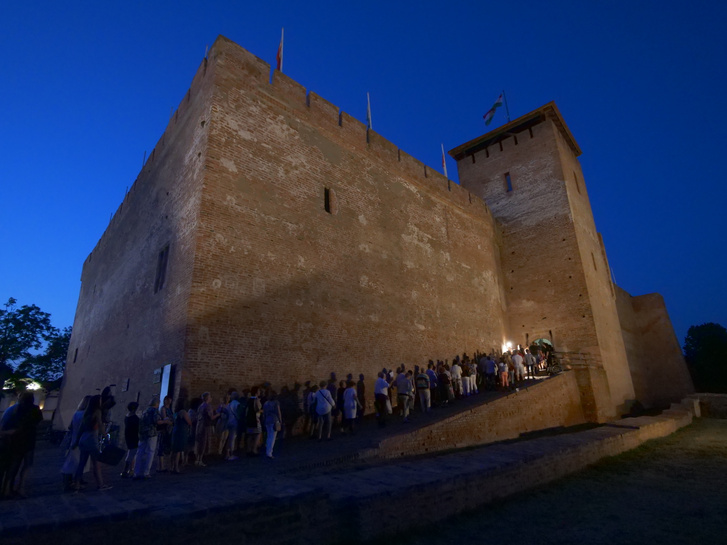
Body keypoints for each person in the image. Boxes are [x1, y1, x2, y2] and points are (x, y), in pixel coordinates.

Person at [2, 391, 43, 497]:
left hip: (16, 440)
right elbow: (37, 423)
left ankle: (7, 489)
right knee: (27, 465)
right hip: (29, 439)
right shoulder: (35, 409)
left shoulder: (16, 409)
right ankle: (21, 488)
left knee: (13, 466)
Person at [74, 395, 110, 491]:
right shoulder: (97, 411)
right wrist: (106, 436)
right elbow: (100, 425)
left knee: (81, 463)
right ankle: (100, 484)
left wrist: (76, 441)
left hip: (83, 440)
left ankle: (76, 484)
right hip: (92, 440)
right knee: (96, 464)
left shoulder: (86, 412)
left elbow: (81, 429)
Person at [61, 395, 91, 491]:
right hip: (81, 440)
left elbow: (70, 427)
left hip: (74, 439)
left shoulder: (77, 413)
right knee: (76, 462)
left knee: (73, 461)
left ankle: (75, 480)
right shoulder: (85, 415)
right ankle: (71, 483)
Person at [136, 396, 162, 479]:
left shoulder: (145, 411)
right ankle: (146, 472)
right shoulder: (154, 411)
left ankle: (136, 472)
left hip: (143, 433)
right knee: (150, 452)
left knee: (140, 451)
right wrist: (165, 421)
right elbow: (156, 421)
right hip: (151, 432)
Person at [195, 392, 219, 466]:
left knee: (199, 442)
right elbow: (211, 417)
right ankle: (200, 459)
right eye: (210, 396)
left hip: (199, 425)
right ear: (207, 398)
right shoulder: (208, 406)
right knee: (203, 442)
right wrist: (218, 414)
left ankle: (197, 459)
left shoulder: (201, 406)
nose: (211, 398)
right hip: (205, 426)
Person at [170, 397, 192, 473]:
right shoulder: (183, 412)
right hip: (181, 431)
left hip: (176, 430)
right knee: (178, 450)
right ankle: (176, 467)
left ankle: (171, 466)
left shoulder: (176, 412)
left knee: (174, 450)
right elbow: (189, 422)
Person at [120, 401, 139, 478]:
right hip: (134, 436)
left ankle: (130, 470)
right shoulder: (134, 418)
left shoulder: (127, 417)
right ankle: (127, 470)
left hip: (129, 435)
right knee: (132, 453)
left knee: (131, 452)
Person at [156, 395, 174, 472]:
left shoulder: (169, 409)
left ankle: (165, 464)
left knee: (166, 446)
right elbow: (165, 418)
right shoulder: (163, 408)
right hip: (164, 429)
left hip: (168, 429)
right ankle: (161, 466)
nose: (169, 401)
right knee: (161, 446)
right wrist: (169, 421)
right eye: (167, 400)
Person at [262, 392, 282, 458]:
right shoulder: (276, 403)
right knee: (272, 437)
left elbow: (264, 413)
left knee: (269, 436)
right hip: (274, 420)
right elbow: (278, 412)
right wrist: (280, 420)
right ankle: (269, 452)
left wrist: (264, 420)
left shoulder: (266, 403)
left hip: (267, 420)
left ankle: (267, 450)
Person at [245, 387, 263, 456]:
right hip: (255, 419)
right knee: (257, 434)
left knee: (250, 435)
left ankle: (249, 449)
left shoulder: (249, 400)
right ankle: (254, 449)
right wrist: (262, 411)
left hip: (249, 419)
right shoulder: (256, 400)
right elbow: (257, 409)